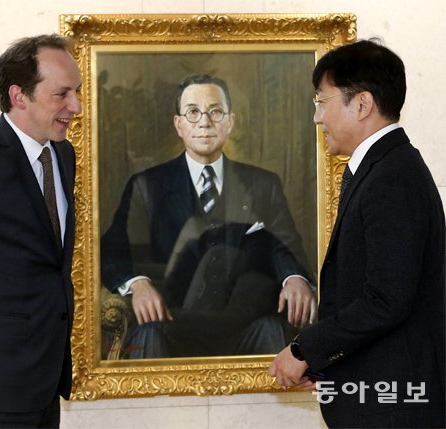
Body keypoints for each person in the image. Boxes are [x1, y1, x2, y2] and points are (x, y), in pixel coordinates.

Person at [268, 39, 445, 428]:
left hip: (394, 412)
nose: (317, 118)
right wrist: (325, 365)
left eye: (321, 102)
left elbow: (386, 300)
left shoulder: (392, 177)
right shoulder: (385, 168)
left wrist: (303, 350)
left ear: (362, 104)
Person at [101, 74, 317, 359]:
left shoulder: (262, 184)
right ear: (178, 124)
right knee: (148, 336)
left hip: (244, 323)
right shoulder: (146, 185)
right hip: (171, 321)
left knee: (272, 331)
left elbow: (284, 245)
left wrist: (294, 278)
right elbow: (112, 251)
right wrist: (138, 283)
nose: (204, 122)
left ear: (230, 122)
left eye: (215, 112)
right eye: (193, 112)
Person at [0, 34, 82, 428]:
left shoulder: (63, 154)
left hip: (44, 384)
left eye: (77, 92)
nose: (76, 106)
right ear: (19, 96)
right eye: (62, 94)